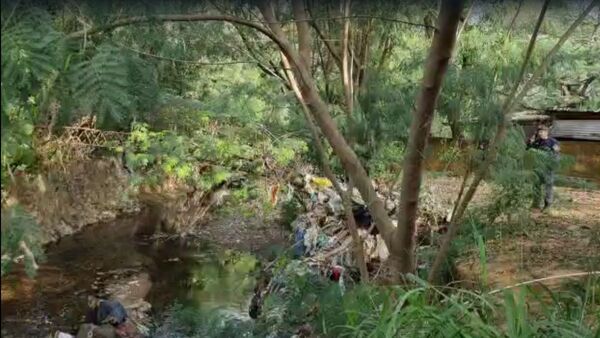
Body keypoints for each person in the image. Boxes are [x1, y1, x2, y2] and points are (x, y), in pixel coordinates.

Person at [526, 124, 560, 210]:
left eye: (542, 131)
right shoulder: (537, 142)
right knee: (536, 185)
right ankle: (535, 204)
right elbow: (529, 150)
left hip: (548, 168)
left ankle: (547, 205)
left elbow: (556, 155)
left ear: (546, 132)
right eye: (539, 132)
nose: (540, 133)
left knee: (548, 187)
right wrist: (530, 143)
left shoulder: (553, 142)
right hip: (538, 168)